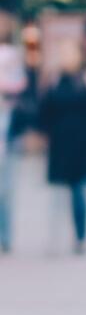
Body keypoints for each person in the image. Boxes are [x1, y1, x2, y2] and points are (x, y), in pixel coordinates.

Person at [38, 41, 86, 254]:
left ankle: (80, 236)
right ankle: (56, 238)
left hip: (82, 144)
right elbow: (45, 111)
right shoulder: (54, 81)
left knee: (79, 191)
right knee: (59, 192)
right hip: (60, 144)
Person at [0, 19, 26, 253]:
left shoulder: (11, 55)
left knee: (5, 189)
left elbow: (20, 84)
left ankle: (5, 235)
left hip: (6, 129)